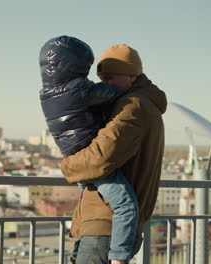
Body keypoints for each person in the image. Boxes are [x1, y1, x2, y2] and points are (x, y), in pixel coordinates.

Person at [61, 43, 167, 264]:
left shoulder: (133, 106)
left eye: (111, 78)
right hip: (108, 224)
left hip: (106, 224)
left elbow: (101, 156)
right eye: (102, 79)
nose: (105, 85)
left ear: (132, 76)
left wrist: (68, 165)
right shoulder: (144, 103)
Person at [38, 36, 139, 263]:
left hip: (72, 153)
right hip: (89, 156)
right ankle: (119, 257)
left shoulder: (48, 92)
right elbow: (112, 94)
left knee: (86, 203)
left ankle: (77, 250)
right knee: (125, 205)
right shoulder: (77, 89)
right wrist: (133, 89)